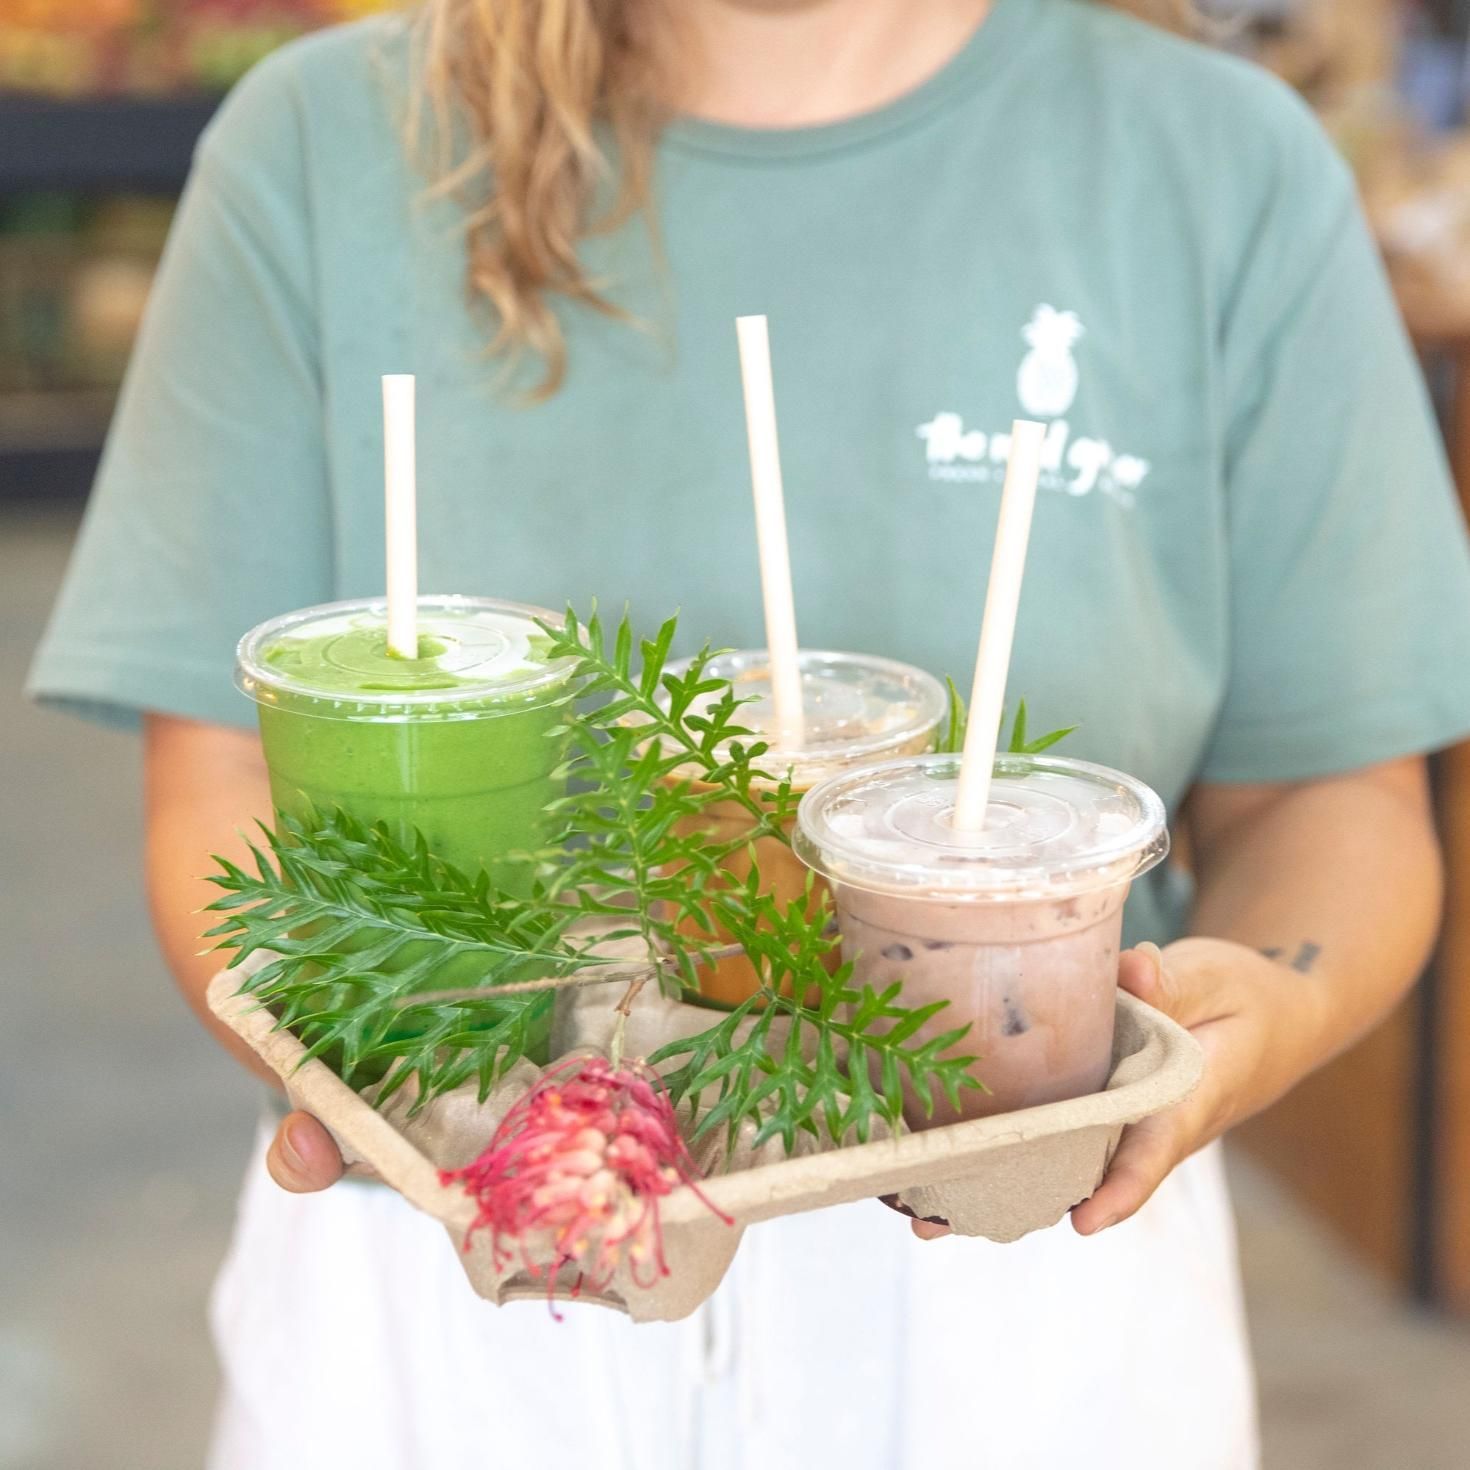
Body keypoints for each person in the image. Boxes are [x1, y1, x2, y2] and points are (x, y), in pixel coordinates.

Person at [28, 0, 1470, 1465]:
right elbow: (216, 767)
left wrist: (1273, 1010)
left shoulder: (1215, 164)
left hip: (1019, 1287)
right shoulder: (324, 142)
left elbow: (1329, 792)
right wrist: (387, 1085)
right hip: (454, 1295)